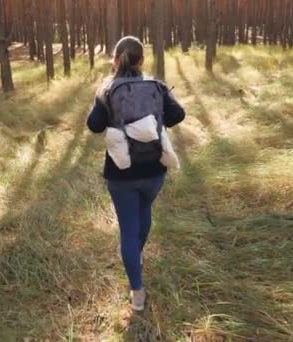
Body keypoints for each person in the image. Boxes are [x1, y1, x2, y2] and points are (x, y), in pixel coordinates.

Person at [86, 36, 186, 311]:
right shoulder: (156, 85)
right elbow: (178, 115)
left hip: (121, 172)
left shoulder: (107, 89)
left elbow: (94, 126)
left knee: (129, 229)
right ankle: (136, 257)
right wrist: (152, 120)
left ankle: (137, 292)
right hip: (154, 169)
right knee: (145, 213)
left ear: (115, 60)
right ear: (142, 60)